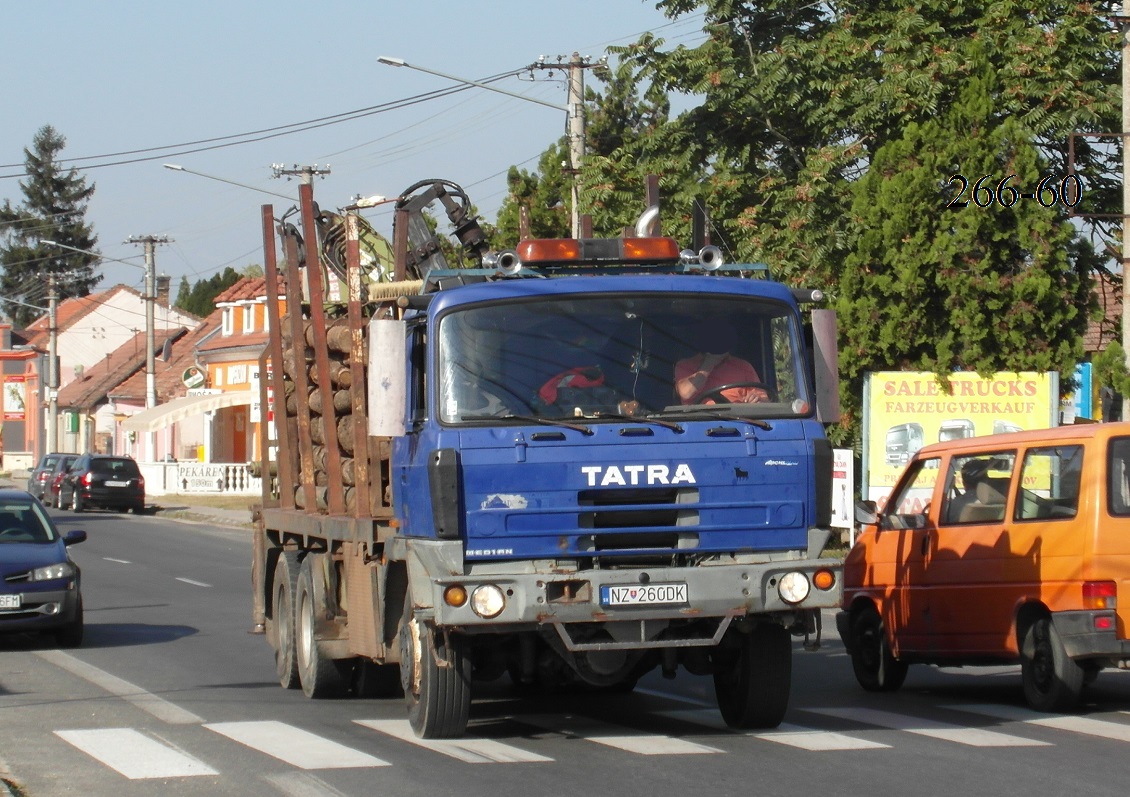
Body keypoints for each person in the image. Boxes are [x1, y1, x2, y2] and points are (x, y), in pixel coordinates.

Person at [674, 319, 767, 404]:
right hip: (697, 420)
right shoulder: (685, 365)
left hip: (738, 420)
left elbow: (765, 401)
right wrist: (709, 363)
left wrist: (757, 399)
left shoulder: (743, 366)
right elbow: (686, 393)